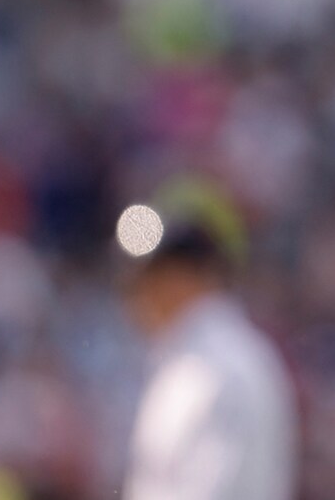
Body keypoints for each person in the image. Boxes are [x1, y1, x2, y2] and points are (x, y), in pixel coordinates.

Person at [119, 184, 298, 500]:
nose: (133, 292)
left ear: (182, 276)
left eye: (147, 275)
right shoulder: (189, 361)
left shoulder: (222, 368)